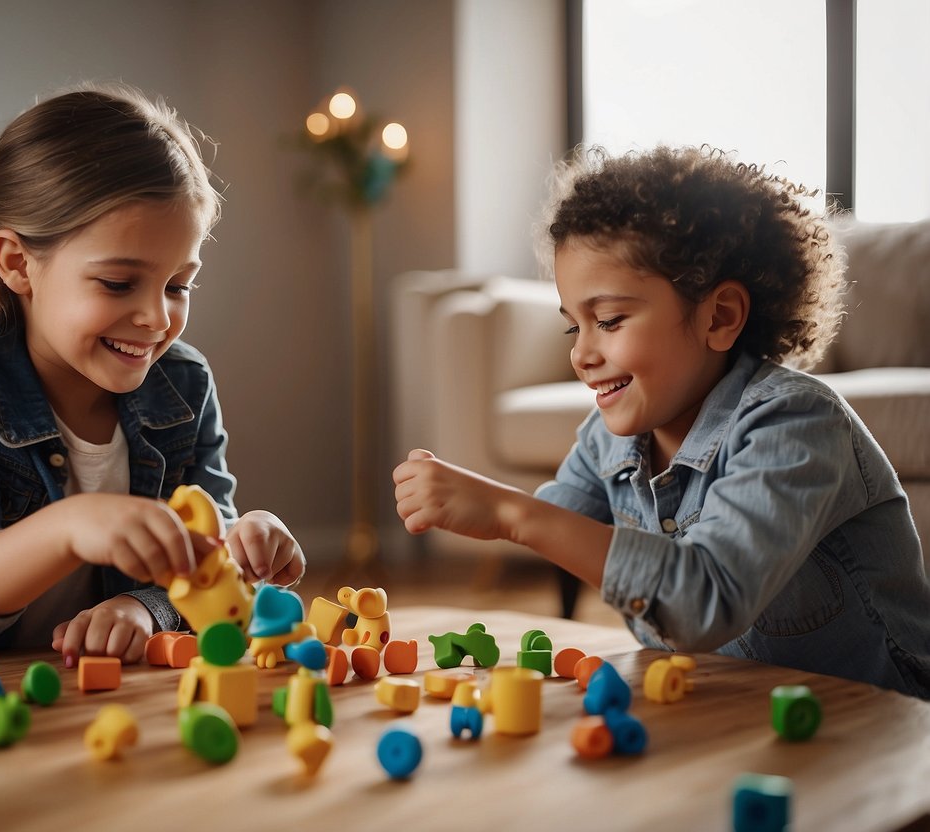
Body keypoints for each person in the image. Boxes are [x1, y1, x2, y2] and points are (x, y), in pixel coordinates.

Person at [394, 145, 930, 698]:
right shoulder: (611, 438)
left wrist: (510, 512)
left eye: (607, 320)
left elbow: (706, 599)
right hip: (736, 708)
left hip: (884, 719)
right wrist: (473, 497)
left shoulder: (794, 423)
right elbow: (561, 522)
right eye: (572, 327)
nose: (581, 355)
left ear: (719, 317)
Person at [0, 82, 305, 665]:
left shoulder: (184, 385)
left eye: (178, 285)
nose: (157, 318)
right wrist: (71, 525)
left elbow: (208, 560)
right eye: (118, 283)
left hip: (60, 693)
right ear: (17, 262)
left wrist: (215, 561)